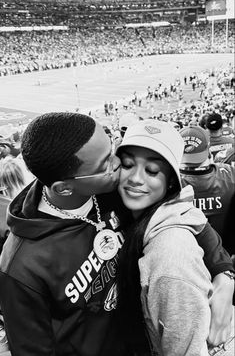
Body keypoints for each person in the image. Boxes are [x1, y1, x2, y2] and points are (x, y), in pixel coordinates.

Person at [0, 113, 234, 356]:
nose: (118, 164)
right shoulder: (21, 266)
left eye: (113, 151)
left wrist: (224, 274)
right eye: (105, 164)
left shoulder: (113, 191)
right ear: (64, 187)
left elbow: (181, 214)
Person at [116, 120, 234, 356]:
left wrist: (226, 275)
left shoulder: (171, 256)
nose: (136, 178)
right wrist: (226, 273)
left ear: (171, 181)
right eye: (127, 164)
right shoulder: (120, 208)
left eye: (152, 170)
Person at [179, 125, 235, 255]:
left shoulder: (169, 184)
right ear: (209, 152)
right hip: (226, 257)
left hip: (187, 260)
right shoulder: (230, 175)